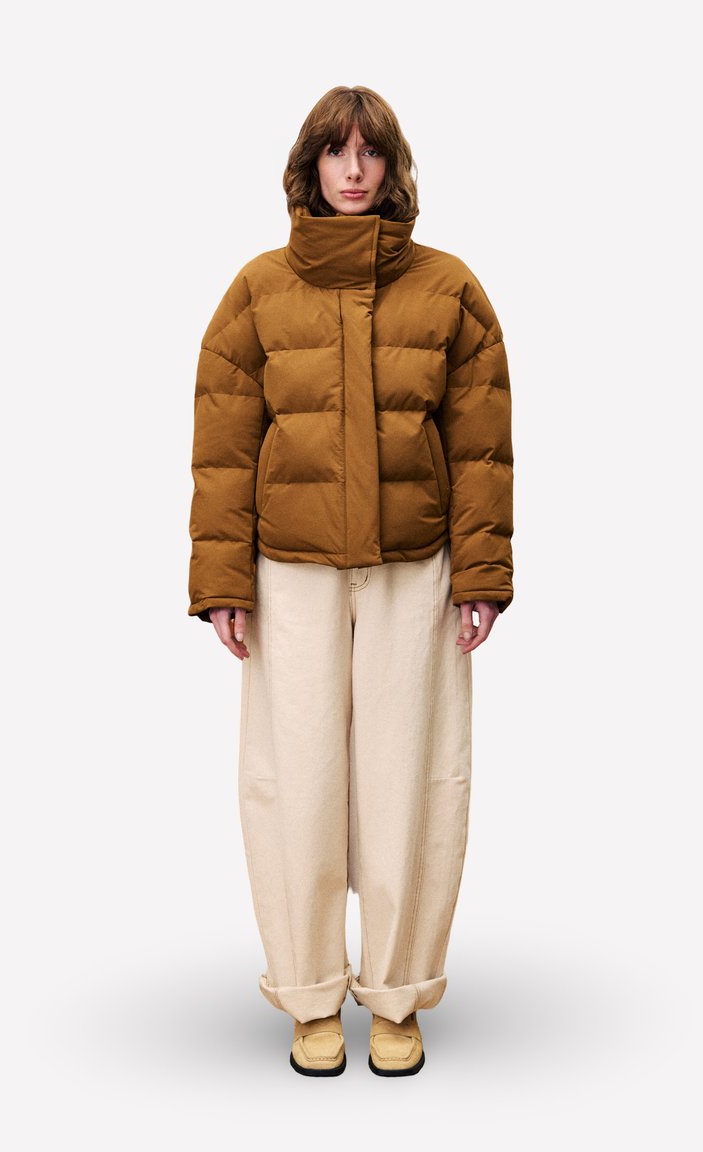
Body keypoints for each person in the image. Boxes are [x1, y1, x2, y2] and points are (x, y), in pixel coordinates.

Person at [187, 85, 514, 1077]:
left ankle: (399, 995)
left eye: (371, 151)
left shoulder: (449, 290)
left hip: (416, 569)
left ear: (393, 165)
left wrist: (483, 573)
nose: (355, 169)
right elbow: (224, 446)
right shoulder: (257, 291)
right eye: (337, 150)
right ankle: (308, 995)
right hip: (290, 575)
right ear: (310, 166)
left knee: (413, 780)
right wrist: (222, 577)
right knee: (296, 782)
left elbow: (482, 445)